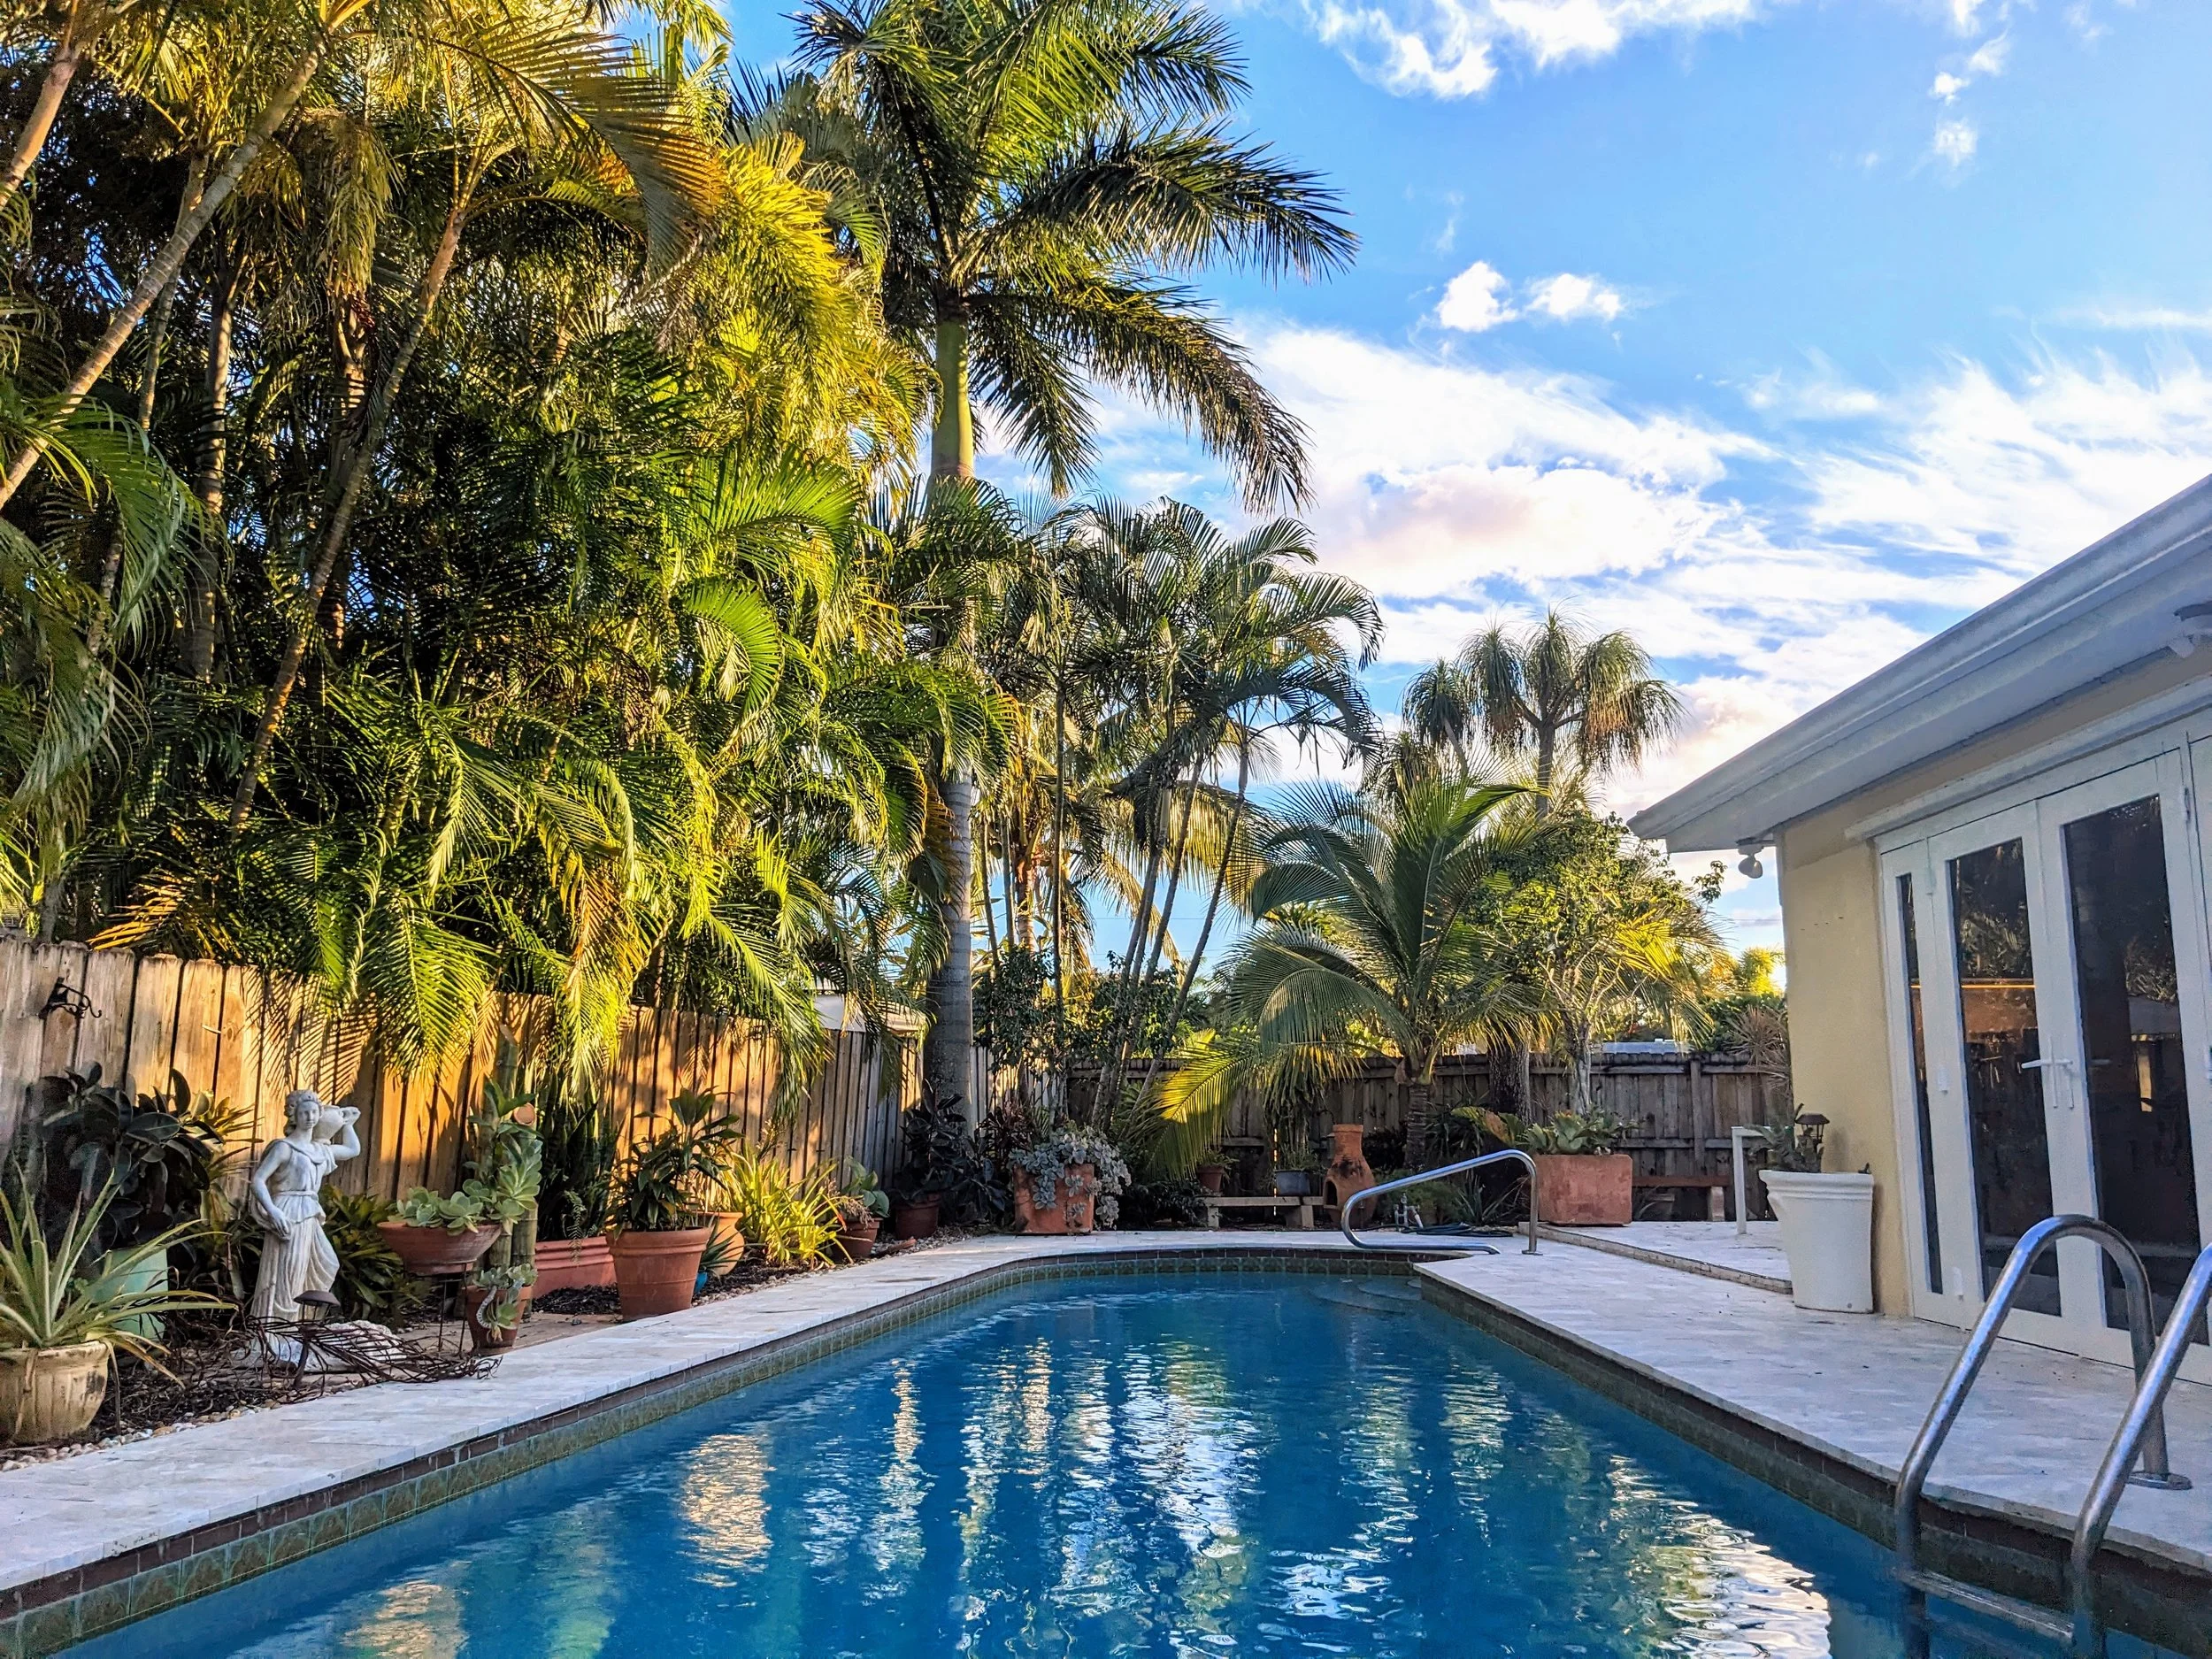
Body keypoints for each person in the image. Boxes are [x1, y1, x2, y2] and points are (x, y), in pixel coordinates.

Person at [246, 1089, 361, 1324]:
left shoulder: (319, 1150)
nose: (309, 1117)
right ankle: (279, 1329)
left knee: (327, 1263)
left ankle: (302, 1322)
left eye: (314, 1112)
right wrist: (273, 1210)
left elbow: (352, 1151)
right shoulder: (284, 1148)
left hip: (309, 1211)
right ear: (294, 1117)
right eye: (304, 1112)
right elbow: (258, 1180)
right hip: (289, 1210)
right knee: (289, 1273)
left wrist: (349, 1124)